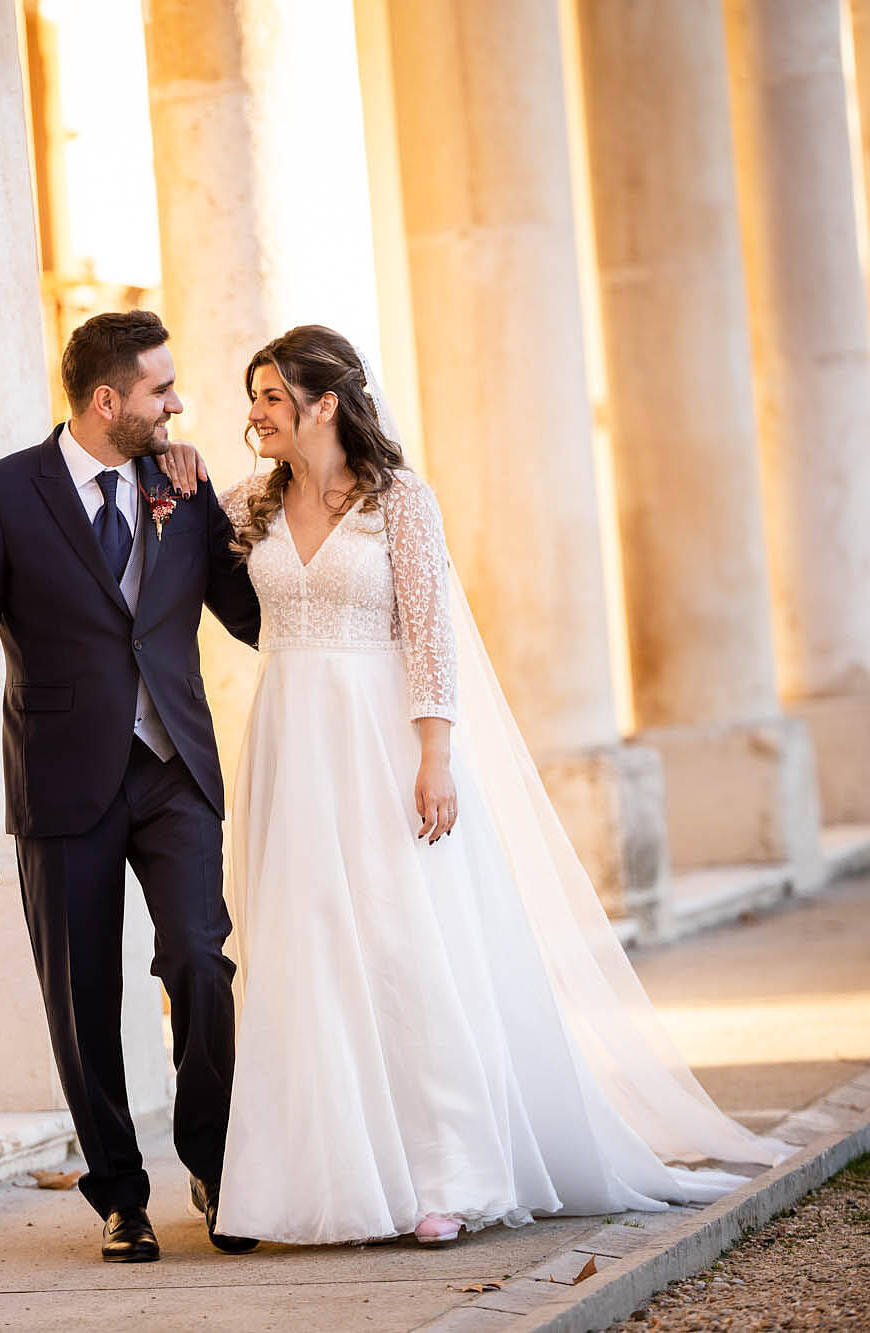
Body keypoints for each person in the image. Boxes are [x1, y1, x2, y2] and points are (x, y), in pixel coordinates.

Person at [216, 325, 787, 1247]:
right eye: (257, 397)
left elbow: (431, 634)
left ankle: (449, 1173)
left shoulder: (401, 501)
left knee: (408, 948)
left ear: (324, 403)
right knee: (305, 950)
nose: (254, 413)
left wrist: (434, 757)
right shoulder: (249, 504)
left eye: (272, 397)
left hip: (382, 743)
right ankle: (327, 1184)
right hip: (290, 745)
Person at [0, 309, 262, 1263]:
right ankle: (120, 1193)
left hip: (174, 771)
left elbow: (246, 612)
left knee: (200, 960)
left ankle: (214, 1162)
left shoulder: (182, 484)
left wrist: (296, 507)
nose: (178, 403)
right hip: (61, 780)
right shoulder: (1, 495)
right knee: (80, 996)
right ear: (107, 399)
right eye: (161, 389)